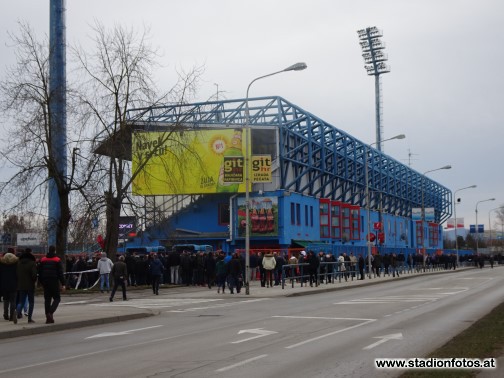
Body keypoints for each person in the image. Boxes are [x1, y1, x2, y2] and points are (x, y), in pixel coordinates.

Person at [38, 245, 66, 324]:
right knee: (57, 298)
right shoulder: (57, 260)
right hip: (54, 281)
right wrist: (63, 284)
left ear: (48, 250)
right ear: (54, 251)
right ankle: (50, 312)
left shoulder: (43, 260)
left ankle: (48, 317)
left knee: (47, 299)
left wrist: (41, 282)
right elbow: (60, 273)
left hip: (45, 282)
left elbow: (39, 272)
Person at [16, 248, 37, 323]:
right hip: (30, 285)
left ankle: (17, 312)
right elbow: (34, 275)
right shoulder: (32, 263)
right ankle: (29, 319)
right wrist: (34, 281)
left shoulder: (19, 263)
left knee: (21, 301)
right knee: (31, 302)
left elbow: (16, 274)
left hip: (21, 285)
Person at [1, 251, 19, 323]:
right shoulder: (16, 264)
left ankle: (5, 314)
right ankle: (12, 316)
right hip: (13, 285)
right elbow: (18, 275)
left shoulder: (2, 264)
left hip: (4, 285)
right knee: (13, 301)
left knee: (5, 300)